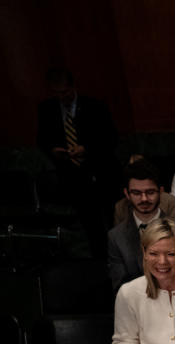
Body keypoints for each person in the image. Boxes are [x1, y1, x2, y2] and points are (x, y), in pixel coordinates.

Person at [36, 67, 119, 257]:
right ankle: (99, 261)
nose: (61, 96)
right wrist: (53, 151)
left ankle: (118, 259)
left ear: (72, 87)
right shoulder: (46, 109)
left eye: (64, 91)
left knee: (112, 219)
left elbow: (110, 139)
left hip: (101, 172)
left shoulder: (94, 106)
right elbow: (42, 139)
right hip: (73, 176)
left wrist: (86, 149)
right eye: (56, 93)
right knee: (90, 224)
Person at [108, 160, 175, 292]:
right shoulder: (116, 237)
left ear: (161, 192)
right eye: (137, 193)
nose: (144, 199)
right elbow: (120, 285)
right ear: (127, 194)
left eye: (150, 192)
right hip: (134, 306)